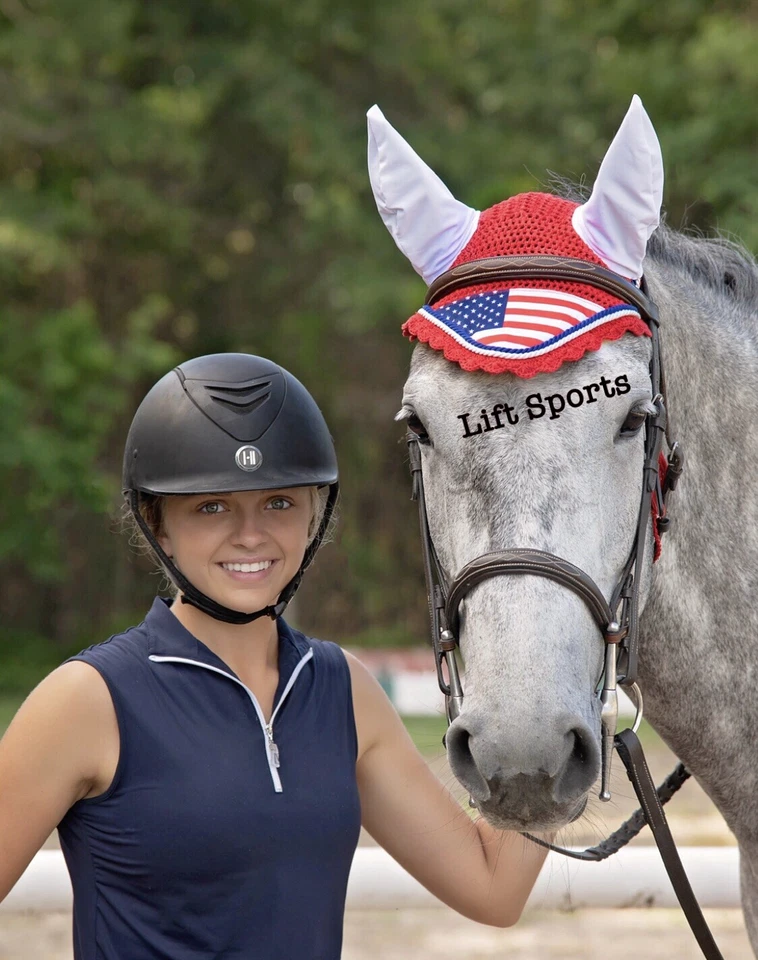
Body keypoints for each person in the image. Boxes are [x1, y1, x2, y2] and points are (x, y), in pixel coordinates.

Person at [0, 353, 549, 958]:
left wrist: (564, 686)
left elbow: (493, 887)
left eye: (278, 503)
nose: (251, 534)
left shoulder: (341, 690)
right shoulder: (88, 700)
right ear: (157, 523)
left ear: (314, 515)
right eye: (213, 506)